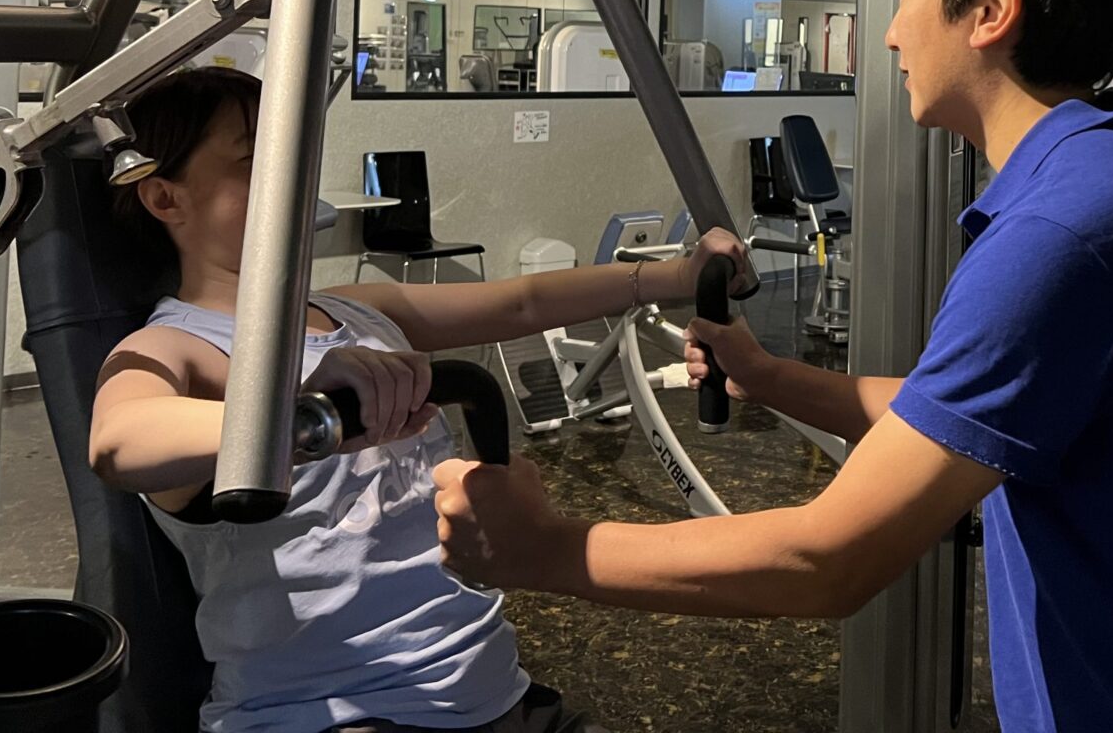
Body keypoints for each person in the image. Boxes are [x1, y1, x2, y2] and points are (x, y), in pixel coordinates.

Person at [432, 0, 1113, 732]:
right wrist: (771, 377)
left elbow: (827, 560)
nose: (891, 34)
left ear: (990, 9)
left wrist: (543, 549)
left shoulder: (1062, 230)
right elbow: (955, 417)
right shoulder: (1093, 179)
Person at [88, 65, 752, 733]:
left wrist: (678, 275)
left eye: (293, 152)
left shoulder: (356, 311)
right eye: (253, 158)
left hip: (493, 692)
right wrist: (302, 414)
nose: (291, 175)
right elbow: (120, 441)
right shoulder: (179, 347)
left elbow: (522, 302)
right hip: (324, 716)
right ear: (165, 198)